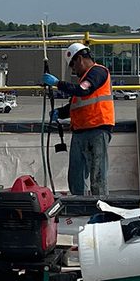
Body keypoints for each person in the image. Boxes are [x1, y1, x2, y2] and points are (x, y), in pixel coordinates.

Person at [44, 40, 114, 196]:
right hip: (80, 132)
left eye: (73, 65)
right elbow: (76, 105)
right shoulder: (83, 80)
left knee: (97, 175)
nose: (74, 70)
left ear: (80, 59)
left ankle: (100, 208)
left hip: (97, 129)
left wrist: (57, 83)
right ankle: (78, 205)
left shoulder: (98, 72)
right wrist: (60, 113)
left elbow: (83, 91)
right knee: (76, 175)